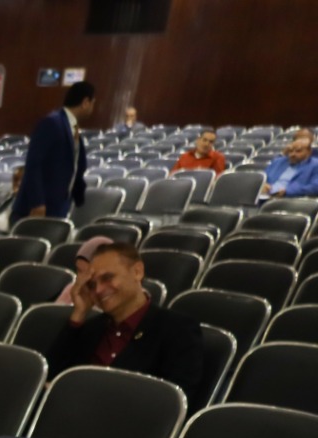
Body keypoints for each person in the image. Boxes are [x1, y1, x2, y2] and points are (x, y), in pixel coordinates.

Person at [47, 242, 208, 410]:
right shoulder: (92, 328)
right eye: (92, 285)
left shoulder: (177, 329)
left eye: (107, 278)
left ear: (137, 272)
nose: (99, 290)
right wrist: (79, 314)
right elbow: (49, 377)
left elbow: (175, 402)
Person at [13, 81, 95, 222]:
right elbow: (33, 164)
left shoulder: (73, 127)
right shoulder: (52, 123)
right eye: (93, 103)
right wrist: (37, 202)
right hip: (38, 208)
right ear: (85, 102)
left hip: (58, 207)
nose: (92, 108)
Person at [55, 234, 111, 304]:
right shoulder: (71, 290)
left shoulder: (116, 298)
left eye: (88, 273)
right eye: (79, 271)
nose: (82, 278)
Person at [263, 129, 318, 199]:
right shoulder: (278, 162)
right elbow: (263, 178)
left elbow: (315, 187)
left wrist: (287, 192)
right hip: (266, 197)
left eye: (298, 151)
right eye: (290, 151)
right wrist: (263, 185)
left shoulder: (315, 165)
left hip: (292, 199)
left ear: (309, 152)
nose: (293, 154)